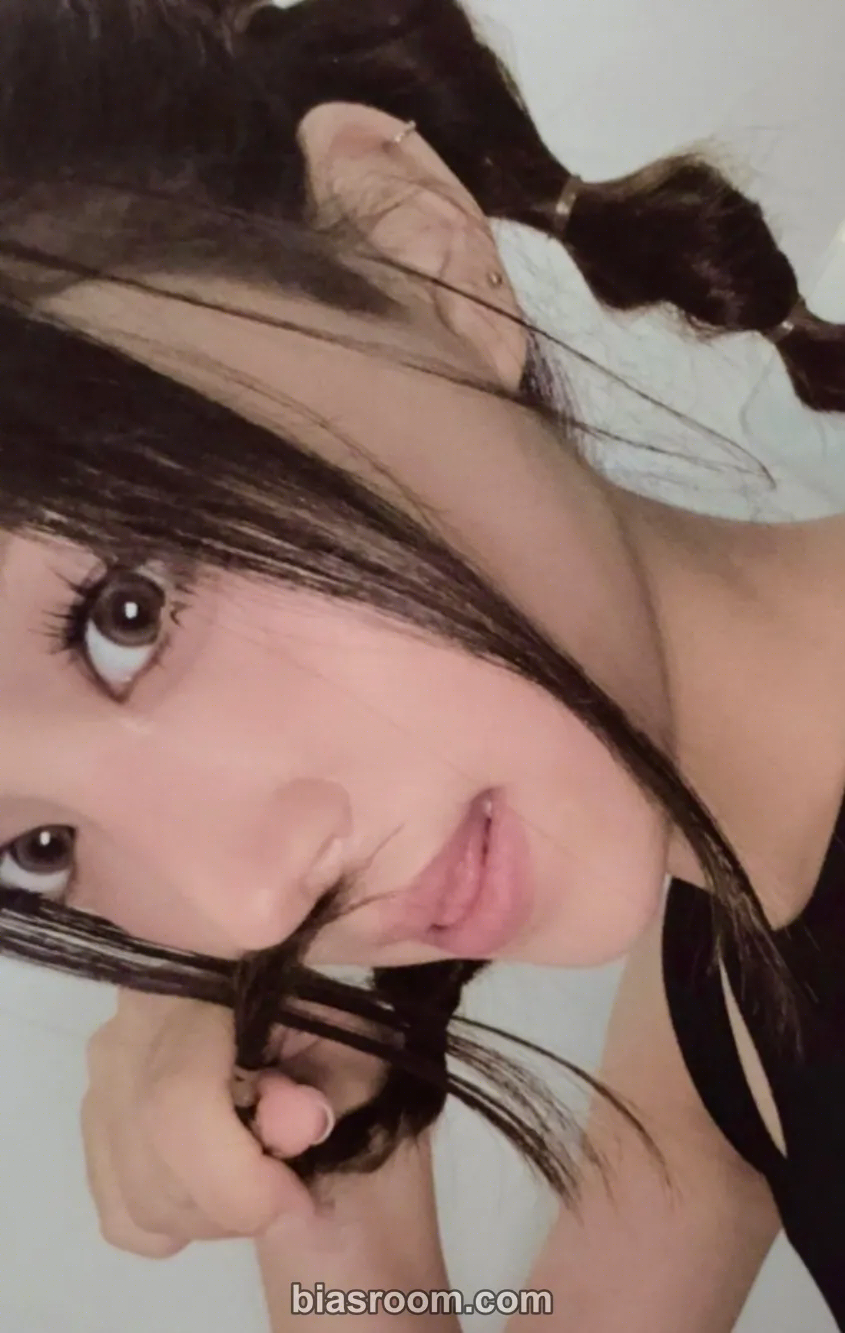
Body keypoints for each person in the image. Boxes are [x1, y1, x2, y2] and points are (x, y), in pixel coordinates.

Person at [1, 0, 845, 1327]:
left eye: (127, 612)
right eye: (39, 849)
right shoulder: (720, 1007)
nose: (245, 907)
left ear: (415, 254)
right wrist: (324, 1197)